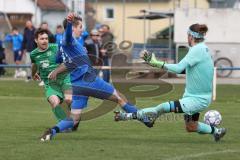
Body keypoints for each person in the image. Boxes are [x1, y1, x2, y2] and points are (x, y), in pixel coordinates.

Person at [39, 13, 145, 142]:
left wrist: (79, 53)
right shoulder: (69, 39)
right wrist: (69, 23)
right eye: (80, 26)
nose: (82, 29)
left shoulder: (63, 44)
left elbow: (60, 59)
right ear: (73, 27)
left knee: (74, 119)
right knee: (119, 98)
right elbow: (67, 39)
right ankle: (144, 118)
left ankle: (52, 132)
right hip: (89, 80)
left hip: (77, 86)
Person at [115, 24, 226, 142]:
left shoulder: (197, 50)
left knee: (163, 107)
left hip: (197, 99)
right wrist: (156, 64)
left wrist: (157, 63)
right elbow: (186, 70)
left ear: (190, 36)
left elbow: (178, 69)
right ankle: (217, 132)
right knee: (191, 127)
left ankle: (126, 116)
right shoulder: (202, 48)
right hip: (195, 97)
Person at [31, 28, 72, 122]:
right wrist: (33, 74)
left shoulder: (56, 47)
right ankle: (64, 124)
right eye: (42, 39)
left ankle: (72, 114)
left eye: (46, 38)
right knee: (55, 102)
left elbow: (68, 59)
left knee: (69, 100)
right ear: (36, 40)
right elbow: (34, 64)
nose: (45, 40)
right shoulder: (33, 54)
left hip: (64, 79)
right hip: (50, 84)